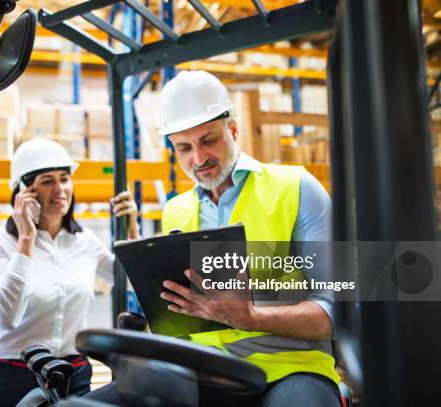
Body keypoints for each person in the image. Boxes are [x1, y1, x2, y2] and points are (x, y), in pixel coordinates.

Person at [88, 71, 341, 406]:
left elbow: (337, 313)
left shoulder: (296, 188)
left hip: (289, 369)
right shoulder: (176, 211)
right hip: (200, 369)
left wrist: (251, 318)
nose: (198, 159)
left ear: (233, 130)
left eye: (208, 140)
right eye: (184, 148)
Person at [0, 138, 140, 406]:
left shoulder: (85, 242)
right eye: (47, 180)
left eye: (65, 179)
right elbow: (5, 318)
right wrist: (25, 239)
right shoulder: (0, 243)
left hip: (71, 374)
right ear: (23, 191)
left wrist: (132, 231)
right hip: (10, 377)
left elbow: (131, 283)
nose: (60, 188)